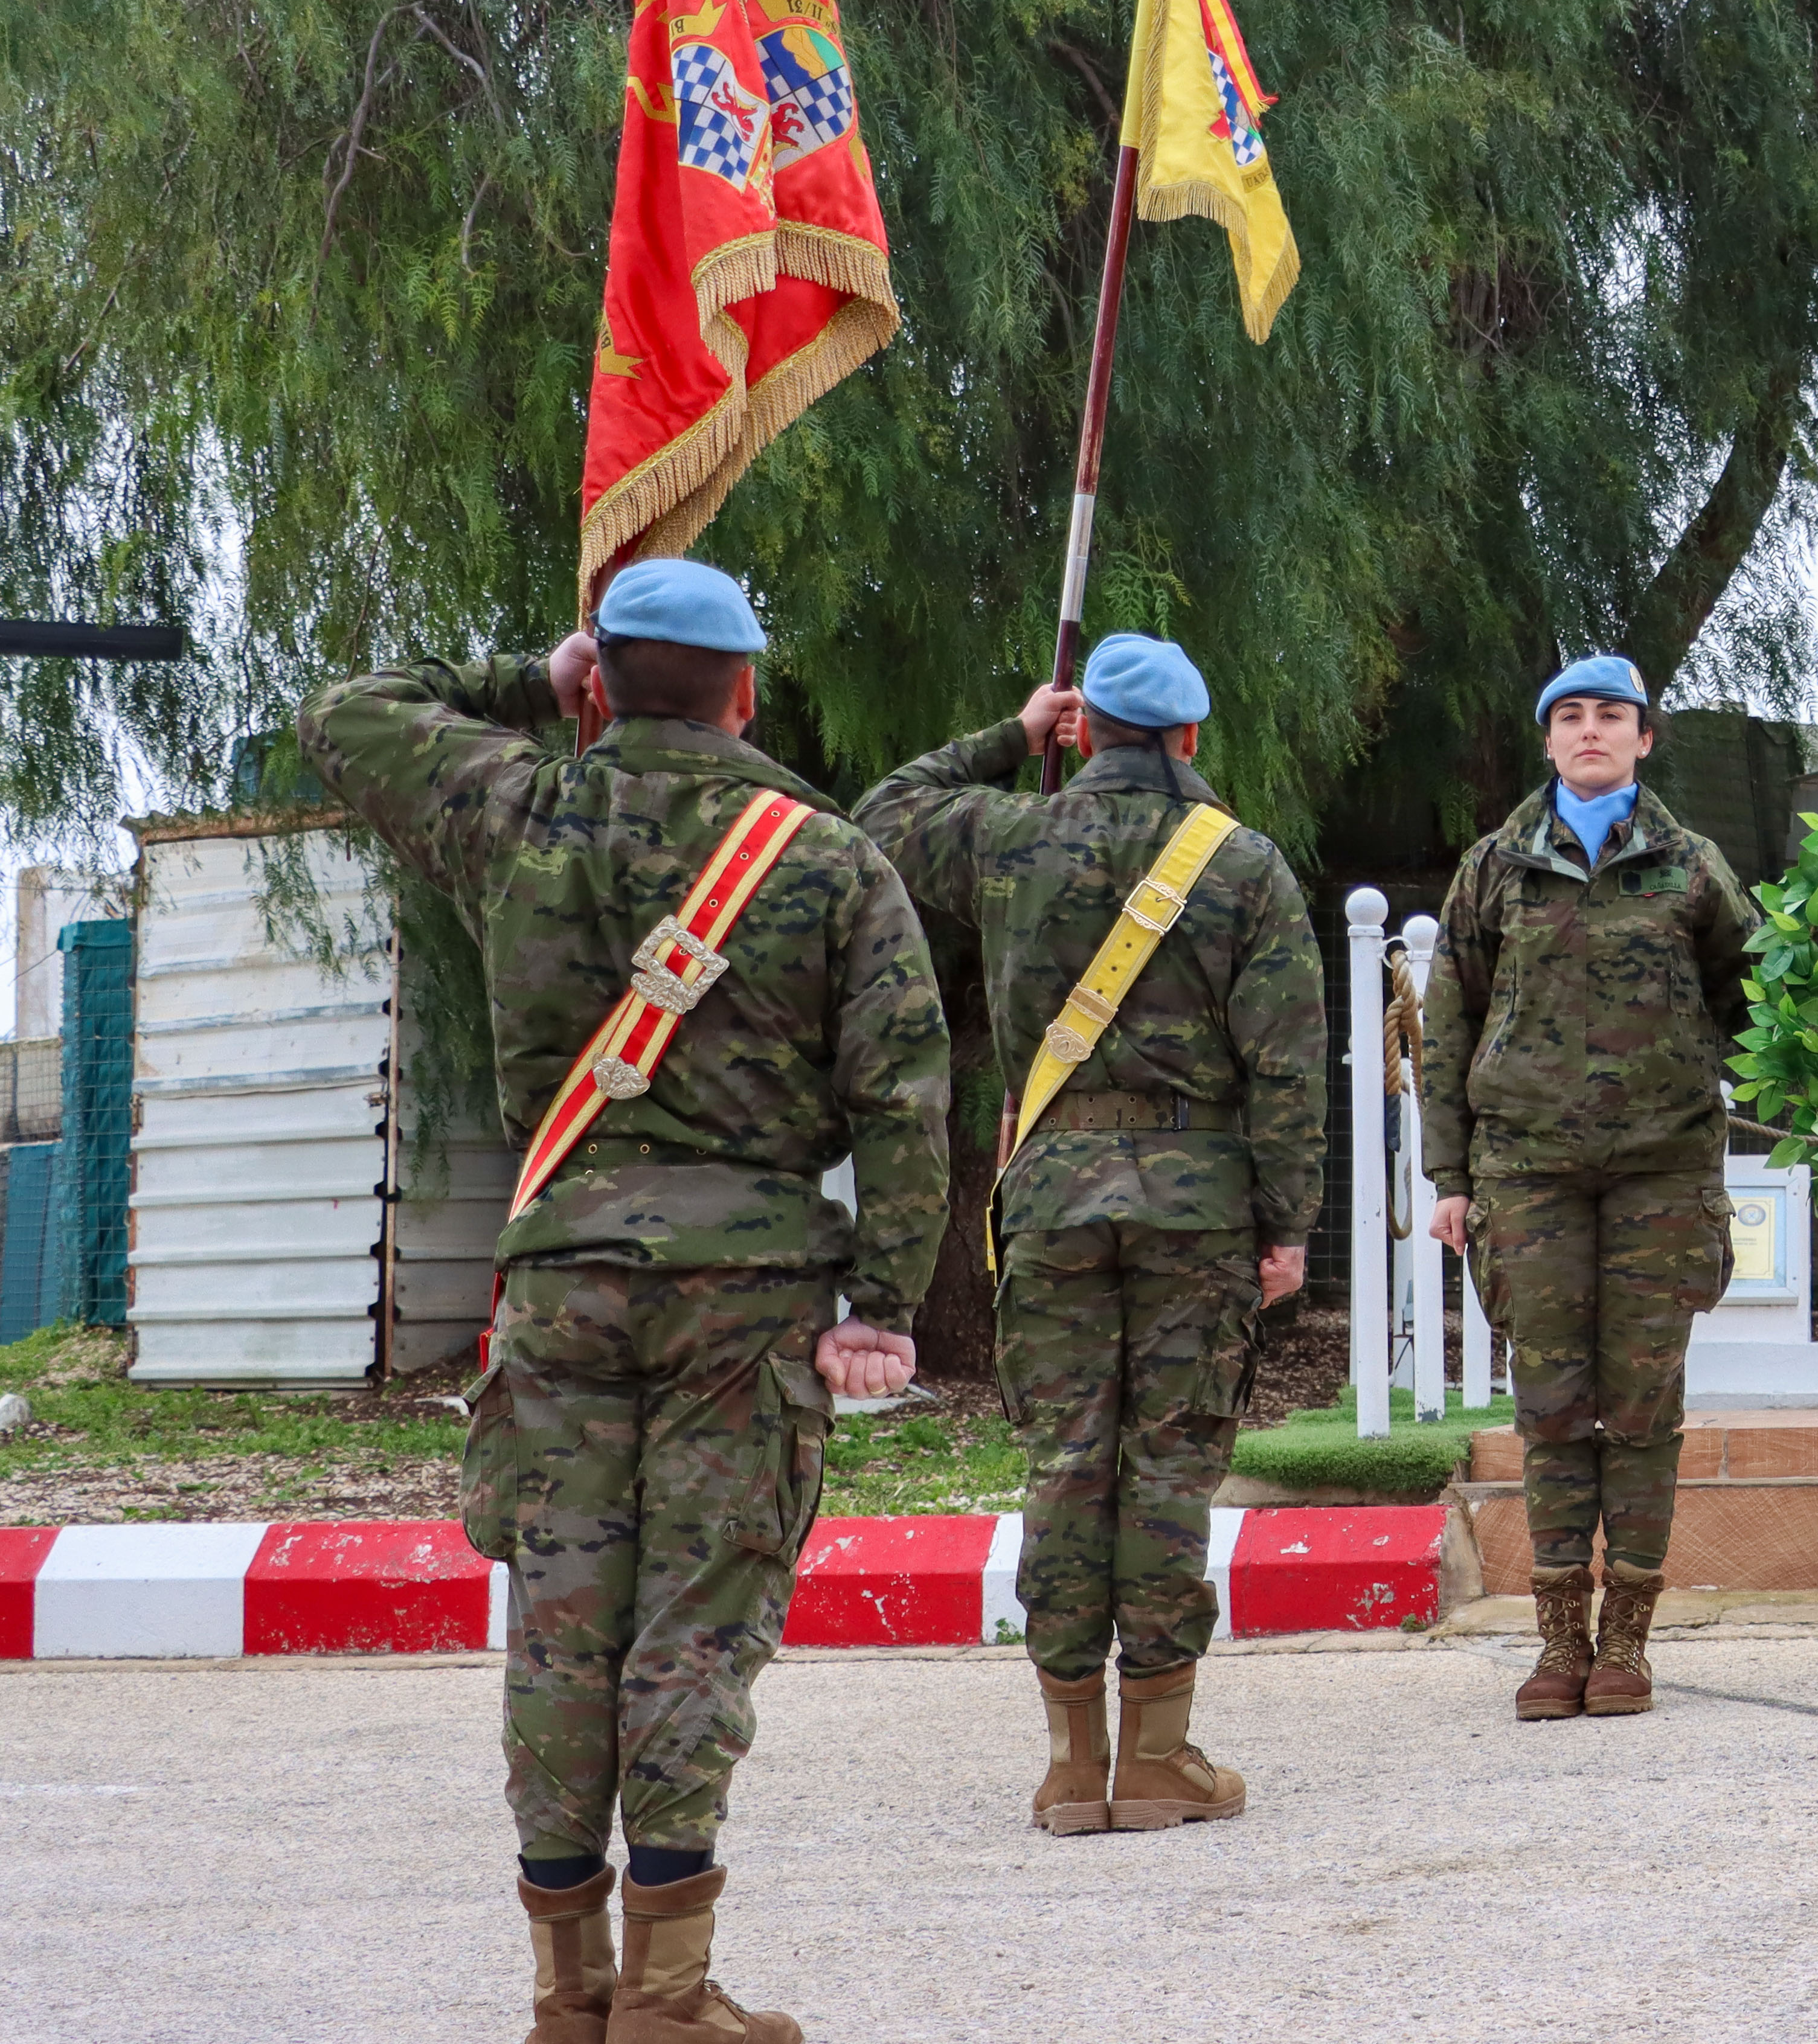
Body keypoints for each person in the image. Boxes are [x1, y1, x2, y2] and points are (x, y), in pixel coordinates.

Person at [298, 560, 951, 2044]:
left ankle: (566, 1989)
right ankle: (665, 1993)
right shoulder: (832, 859)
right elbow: (903, 1097)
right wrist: (883, 1302)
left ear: (599, 681)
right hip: (748, 1303)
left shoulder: (515, 812)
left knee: (561, 1625)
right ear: (747, 691)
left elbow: (344, 711)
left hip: (563, 1287)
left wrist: (526, 680)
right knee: (696, 1623)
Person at [859, 632, 1325, 1833]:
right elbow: (1286, 1065)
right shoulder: (1245, 865)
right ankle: (1159, 1759)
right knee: (1169, 1464)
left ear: (1085, 730)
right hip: (1198, 1201)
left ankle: (1072, 1764)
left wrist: (1010, 737)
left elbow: (883, 813)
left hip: (1053, 1192)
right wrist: (1287, 1225)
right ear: (1191, 736)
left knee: (1066, 1460)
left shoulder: (1011, 836)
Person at [1422, 655, 1755, 1719]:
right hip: (1528, 1171)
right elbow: (1449, 1023)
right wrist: (1449, 1176)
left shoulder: (1691, 867)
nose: (1591, 730)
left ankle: (1627, 1646)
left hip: (1664, 1166)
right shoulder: (1495, 868)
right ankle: (1559, 1642)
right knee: (1553, 1406)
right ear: (1549, 739)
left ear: (1644, 738)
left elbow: (1756, 998)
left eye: (1612, 715)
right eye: (1570, 716)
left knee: (1644, 1405)